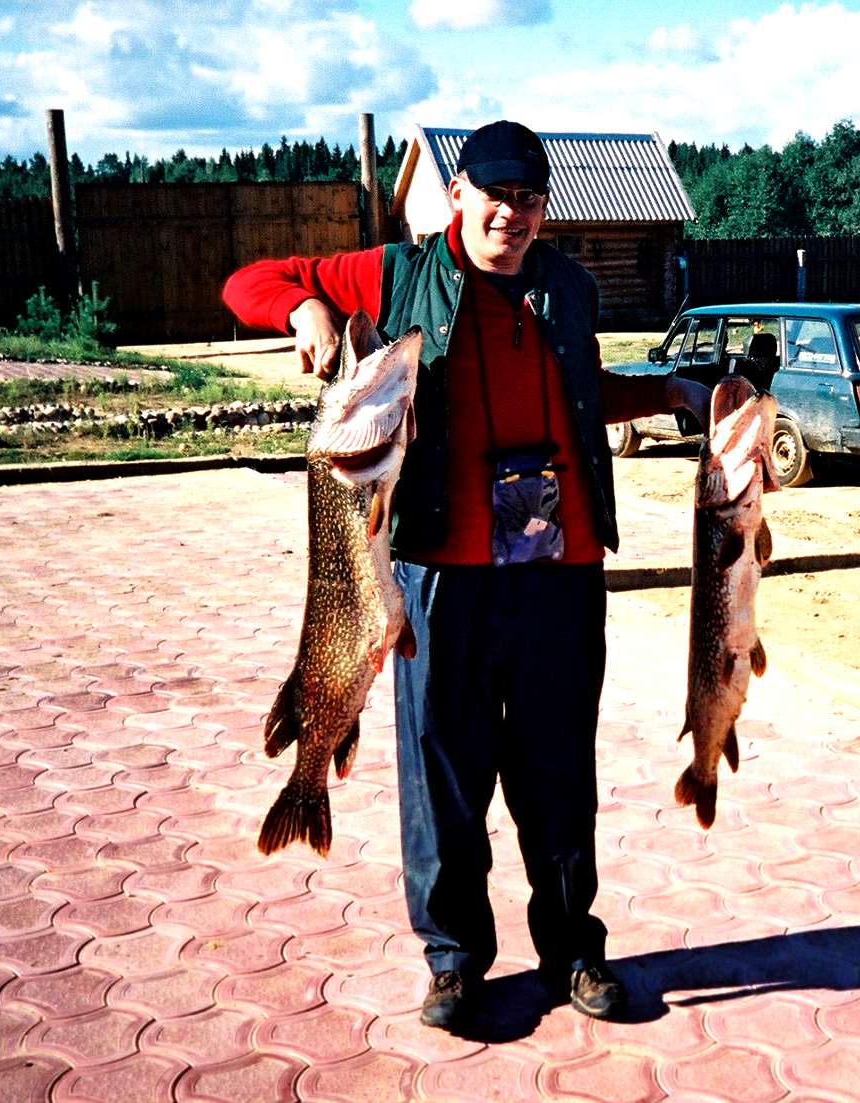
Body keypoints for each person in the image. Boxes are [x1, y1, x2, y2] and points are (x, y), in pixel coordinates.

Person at [223, 120, 709, 1029]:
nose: (513, 216)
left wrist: (671, 390)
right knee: (444, 773)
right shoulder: (400, 275)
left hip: (559, 571)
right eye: (497, 196)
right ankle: (454, 960)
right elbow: (248, 280)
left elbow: (583, 395)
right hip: (443, 576)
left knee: (559, 771)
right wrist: (305, 310)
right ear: (459, 195)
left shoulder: (568, 287)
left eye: (530, 200)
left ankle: (572, 950)